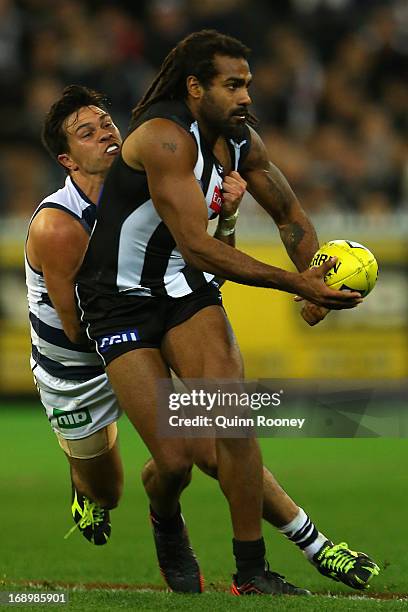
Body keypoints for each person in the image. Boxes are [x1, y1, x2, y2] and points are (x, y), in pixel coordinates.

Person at [74, 30, 379, 596]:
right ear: (195, 87)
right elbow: (198, 244)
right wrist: (295, 282)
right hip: (116, 300)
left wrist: (315, 280)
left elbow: (289, 213)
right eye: (232, 85)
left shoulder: (240, 140)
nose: (246, 97)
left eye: (248, 85)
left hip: (183, 291)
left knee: (232, 421)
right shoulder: (164, 139)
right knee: (177, 459)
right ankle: (166, 518)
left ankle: (252, 571)